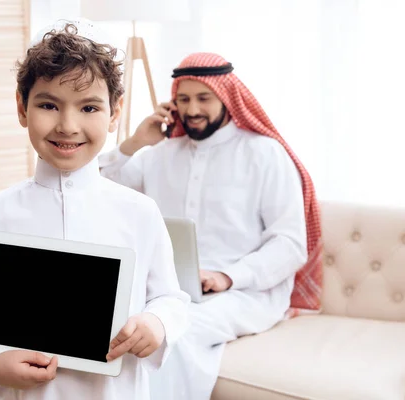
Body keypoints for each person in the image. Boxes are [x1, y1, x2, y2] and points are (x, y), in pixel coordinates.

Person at [0, 19, 190, 400]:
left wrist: (156, 322)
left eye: (89, 107)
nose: (68, 125)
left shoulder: (140, 212)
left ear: (114, 114)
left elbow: (171, 299)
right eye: (48, 105)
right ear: (22, 108)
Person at [98, 52, 322, 398]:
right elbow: (99, 192)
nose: (192, 110)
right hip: (167, 289)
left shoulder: (264, 154)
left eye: (204, 98)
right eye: (183, 99)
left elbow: (290, 244)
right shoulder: (160, 154)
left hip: (244, 292)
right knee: (119, 328)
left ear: (227, 98)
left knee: (170, 334)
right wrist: (135, 143)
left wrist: (228, 276)